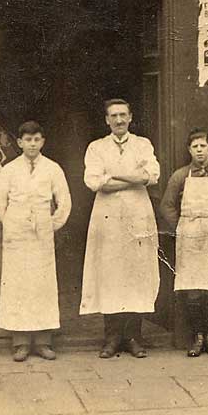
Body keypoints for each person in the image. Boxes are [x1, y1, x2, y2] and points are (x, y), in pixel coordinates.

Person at [80, 98, 160, 358]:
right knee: (110, 274)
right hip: (108, 219)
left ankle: (134, 337)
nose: (119, 120)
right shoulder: (96, 148)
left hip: (138, 216)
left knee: (136, 274)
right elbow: (94, 182)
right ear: (106, 120)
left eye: (123, 115)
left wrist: (115, 176)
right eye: (113, 116)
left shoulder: (143, 144)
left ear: (130, 116)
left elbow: (151, 176)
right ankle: (112, 337)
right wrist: (133, 178)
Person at [0, 120, 71, 362]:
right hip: (17, 236)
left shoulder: (53, 169)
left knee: (42, 285)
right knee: (18, 285)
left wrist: (51, 225)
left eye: (36, 139)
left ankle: (44, 341)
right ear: (20, 142)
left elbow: (64, 202)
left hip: (42, 234)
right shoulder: (10, 170)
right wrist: (12, 222)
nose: (32, 144)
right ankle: (21, 343)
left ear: (42, 141)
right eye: (28, 140)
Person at [160, 129, 208, 357]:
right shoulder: (180, 176)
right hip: (189, 235)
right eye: (195, 147)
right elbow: (167, 206)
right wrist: (183, 226)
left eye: (203, 146)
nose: (199, 151)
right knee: (192, 288)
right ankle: (197, 336)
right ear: (189, 150)